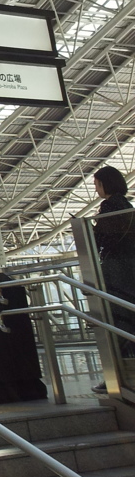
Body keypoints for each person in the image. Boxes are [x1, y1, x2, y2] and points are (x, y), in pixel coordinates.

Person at [91, 166, 135, 391]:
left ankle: (117, 378)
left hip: (116, 272)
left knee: (117, 319)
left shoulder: (109, 207)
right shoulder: (127, 205)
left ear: (105, 183)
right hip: (130, 270)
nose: (96, 189)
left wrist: (91, 231)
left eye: (97, 184)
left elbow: (103, 239)